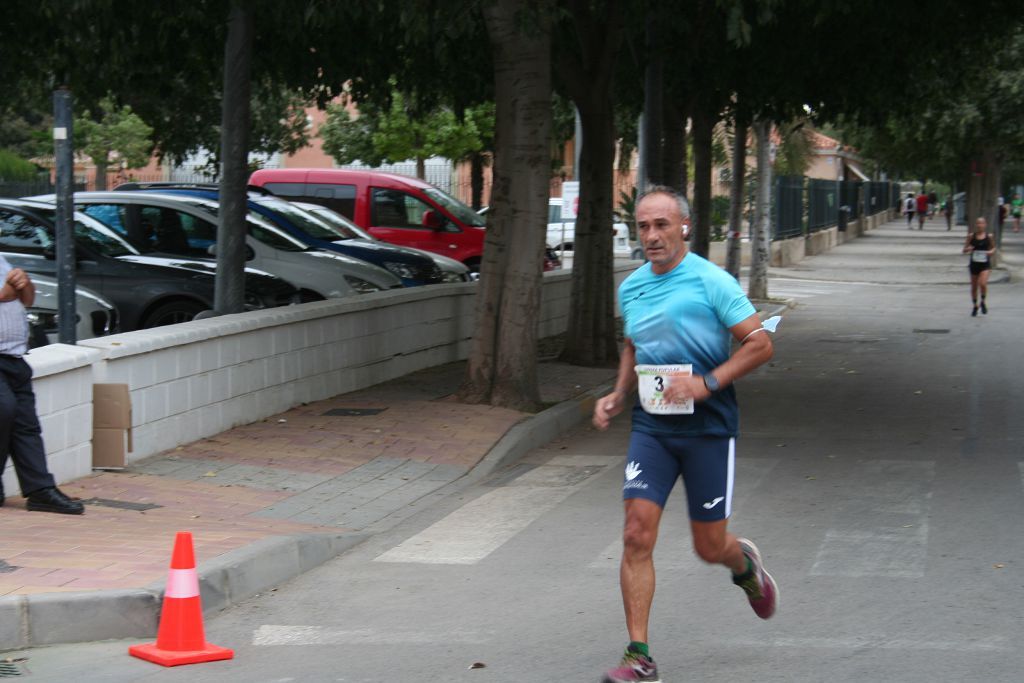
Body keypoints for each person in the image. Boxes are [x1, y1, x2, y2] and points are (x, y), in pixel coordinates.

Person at [593, 186, 775, 683]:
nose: (651, 236)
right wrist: (618, 393)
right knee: (635, 533)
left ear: (684, 227)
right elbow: (633, 343)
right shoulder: (631, 287)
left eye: (661, 225)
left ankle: (744, 566)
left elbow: (760, 344)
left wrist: (706, 383)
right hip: (652, 426)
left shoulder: (711, 282)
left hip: (708, 429)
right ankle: (639, 655)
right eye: (643, 226)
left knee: (708, 547)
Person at [0, 257, 84, 514]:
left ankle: (40, 490)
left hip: (14, 357)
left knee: (26, 424)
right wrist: (9, 291)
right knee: (4, 411)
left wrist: (25, 284)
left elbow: (27, 299)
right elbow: (5, 294)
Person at [963, 216, 995, 317]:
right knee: (974, 287)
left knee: (983, 283)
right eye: (978, 223)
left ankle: (983, 301)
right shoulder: (971, 236)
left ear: (985, 225)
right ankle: (975, 306)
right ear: (976, 225)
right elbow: (964, 250)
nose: (980, 225)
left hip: (985, 264)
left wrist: (990, 252)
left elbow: (993, 248)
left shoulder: (989, 236)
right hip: (974, 264)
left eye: (982, 223)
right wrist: (969, 249)